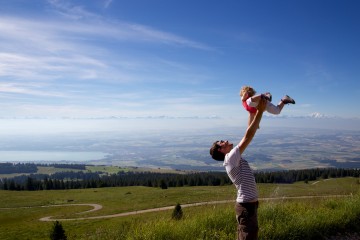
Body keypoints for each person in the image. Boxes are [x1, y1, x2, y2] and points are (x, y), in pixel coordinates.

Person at [209, 97, 267, 240]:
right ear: (221, 150)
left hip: (249, 206)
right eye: (222, 142)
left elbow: (248, 131)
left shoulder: (232, 158)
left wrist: (251, 113)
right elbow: (248, 136)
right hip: (246, 206)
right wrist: (260, 111)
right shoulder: (230, 158)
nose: (226, 141)